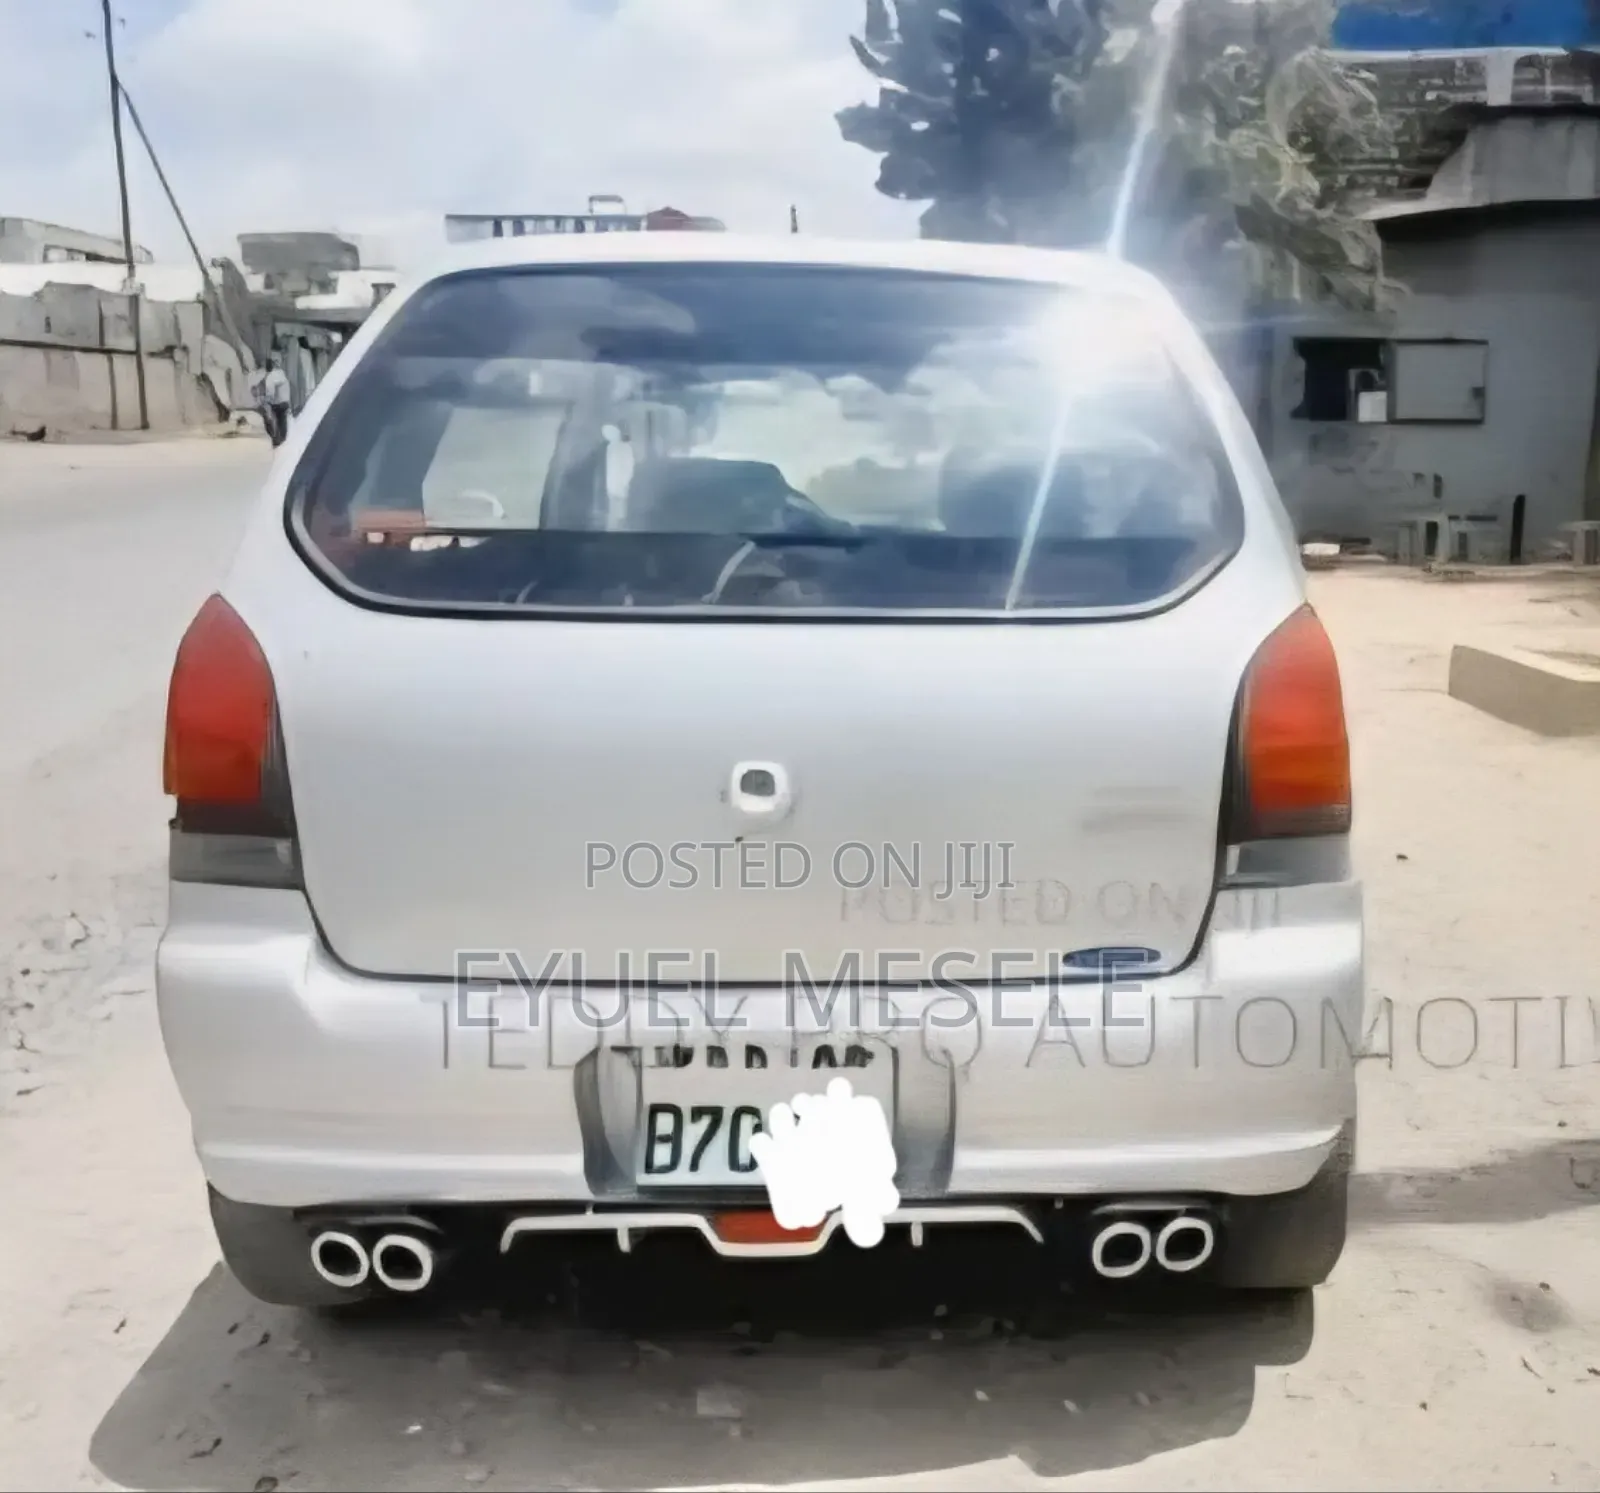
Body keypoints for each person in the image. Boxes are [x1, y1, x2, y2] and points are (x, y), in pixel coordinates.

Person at [260, 358, 292, 447]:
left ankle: (276, 439)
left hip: (277, 403)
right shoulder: (281, 373)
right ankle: (282, 438)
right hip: (285, 401)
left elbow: (270, 394)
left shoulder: (270, 377)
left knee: (272, 419)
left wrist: (264, 400)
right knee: (283, 421)